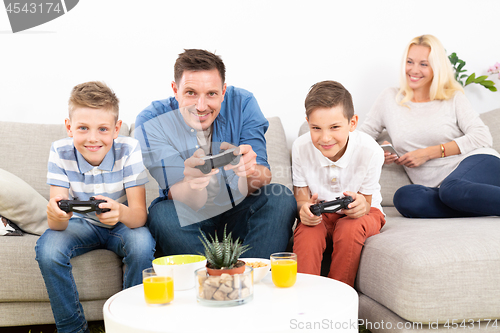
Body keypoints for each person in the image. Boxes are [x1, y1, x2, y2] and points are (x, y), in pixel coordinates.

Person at [134, 49, 296, 258]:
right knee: (162, 214)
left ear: (223, 90)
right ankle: (213, 278)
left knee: (280, 198)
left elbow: (263, 175)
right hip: (189, 214)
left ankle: (251, 277)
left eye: (211, 94)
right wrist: (194, 183)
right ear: (175, 89)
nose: (201, 107)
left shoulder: (243, 103)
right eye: (190, 92)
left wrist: (249, 172)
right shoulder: (151, 121)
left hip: (240, 210)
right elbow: (185, 198)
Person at [35, 81, 156, 333]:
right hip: (80, 224)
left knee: (142, 244)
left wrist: (120, 212)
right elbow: (57, 224)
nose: (93, 138)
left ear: (116, 129)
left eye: (102, 129)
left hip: (122, 222)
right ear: (69, 127)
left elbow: (138, 217)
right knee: (47, 250)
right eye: (83, 128)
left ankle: (128, 323)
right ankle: (72, 329)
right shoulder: (59, 151)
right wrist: (56, 213)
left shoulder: (129, 148)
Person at [359, 34, 500, 218]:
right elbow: (360, 139)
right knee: (406, 198)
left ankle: (466, 199)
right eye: (410, 62)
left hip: (477, 163)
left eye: (423, 64)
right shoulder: (389, 98)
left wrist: (428, 153)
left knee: (452, 189)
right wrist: (378, 153)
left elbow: (482, 136)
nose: (414, 70)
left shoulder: (453, 98)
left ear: (437, 68)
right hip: (439, 189)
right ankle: (477, 205)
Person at [292, 80, 386, 287]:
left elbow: (365, 202)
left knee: (349, 229)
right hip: (321, 212)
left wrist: (361, 204)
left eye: (334, 127)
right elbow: (301, 197)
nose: (325, 138)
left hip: (364, 211)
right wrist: (304, 208)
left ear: (352, 123)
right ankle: (303, 297)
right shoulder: (300, 147)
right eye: (316, 128)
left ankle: (338, 295)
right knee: (308, 231)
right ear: (307, 122)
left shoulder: (371, 151)